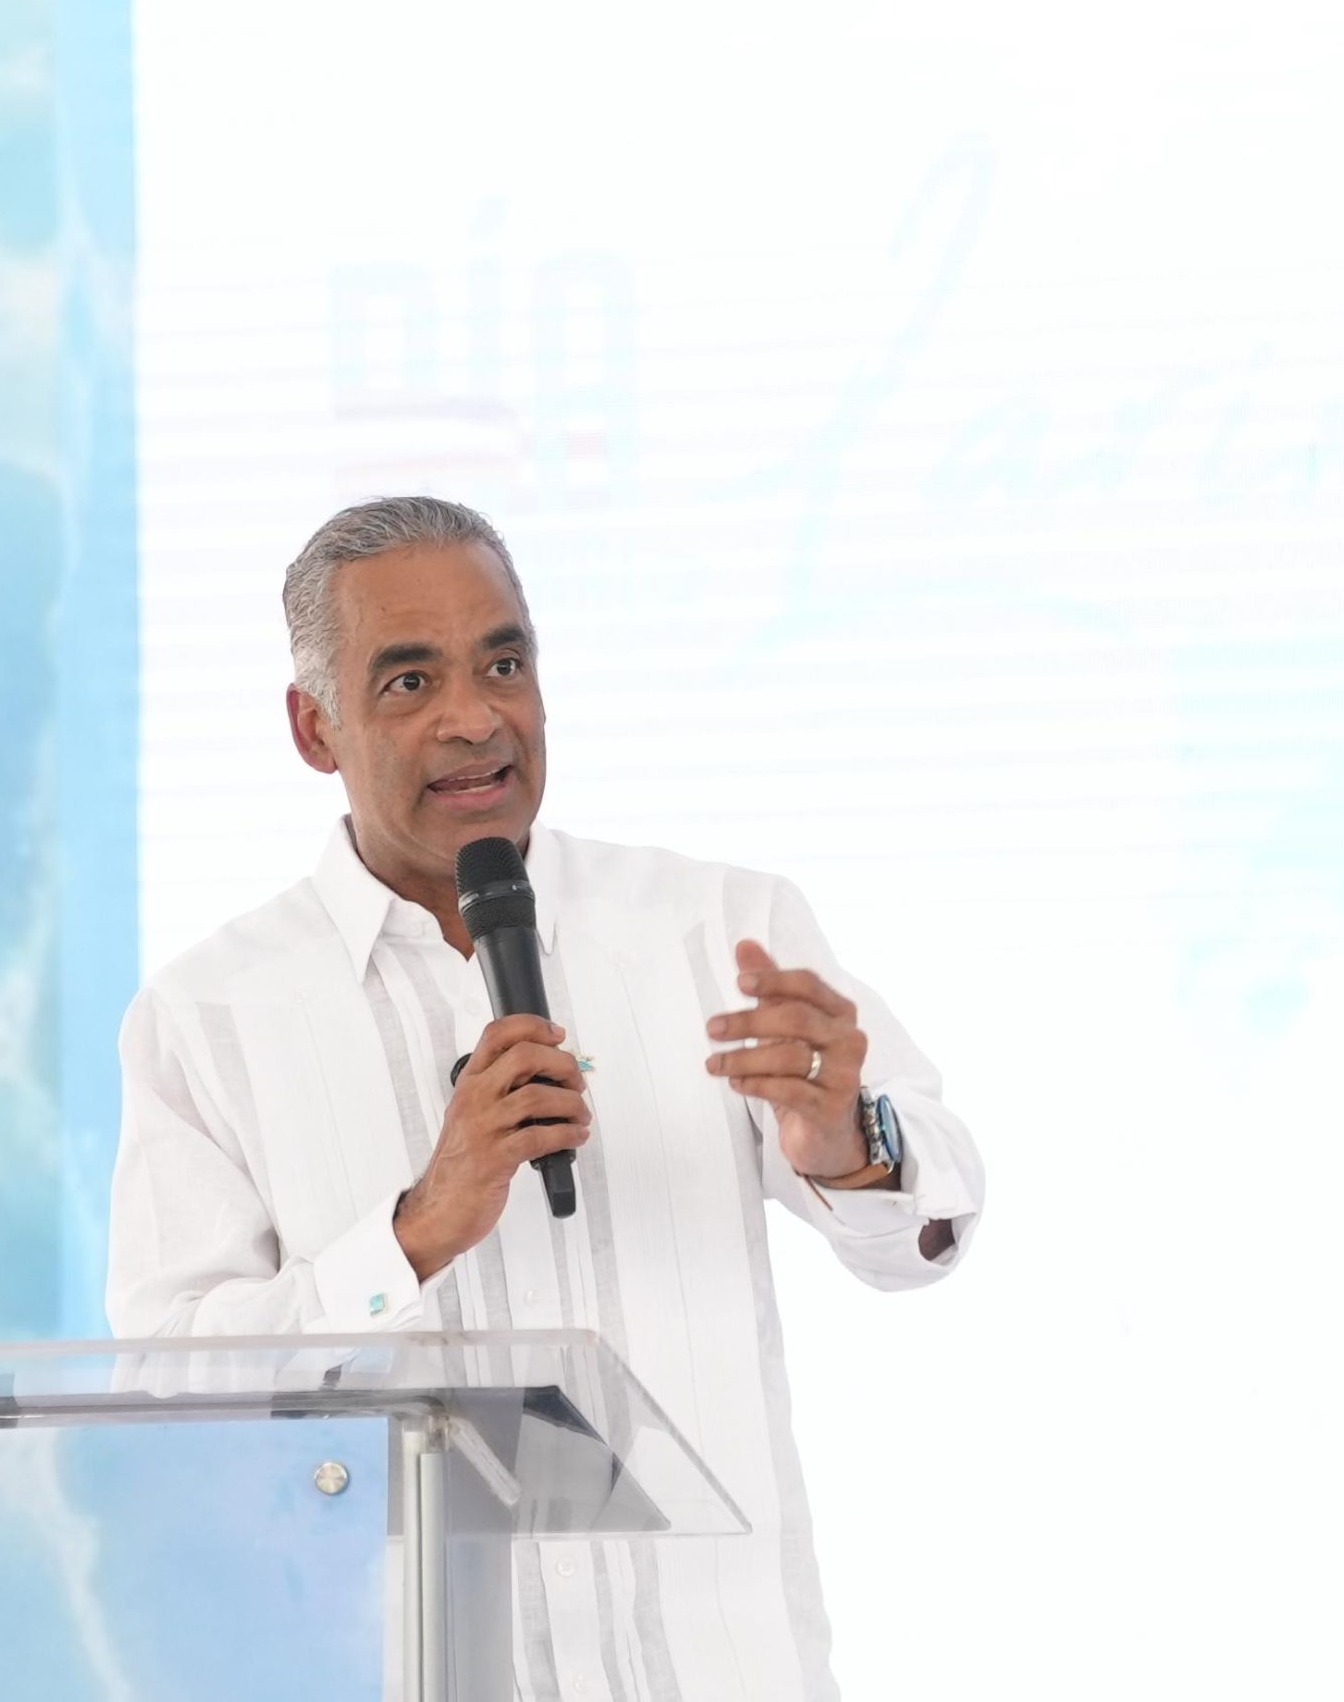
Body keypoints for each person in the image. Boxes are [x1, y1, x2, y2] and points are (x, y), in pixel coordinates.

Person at [106, 495, 984, 1700]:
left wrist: (849, 1143)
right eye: (409, 682)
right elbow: (165, 1388)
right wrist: (413, 1233)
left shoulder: (716, 926)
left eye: (503, 664)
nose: (475, 718)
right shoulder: (208, 1015)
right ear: (315, 728)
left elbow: (925, 1229)